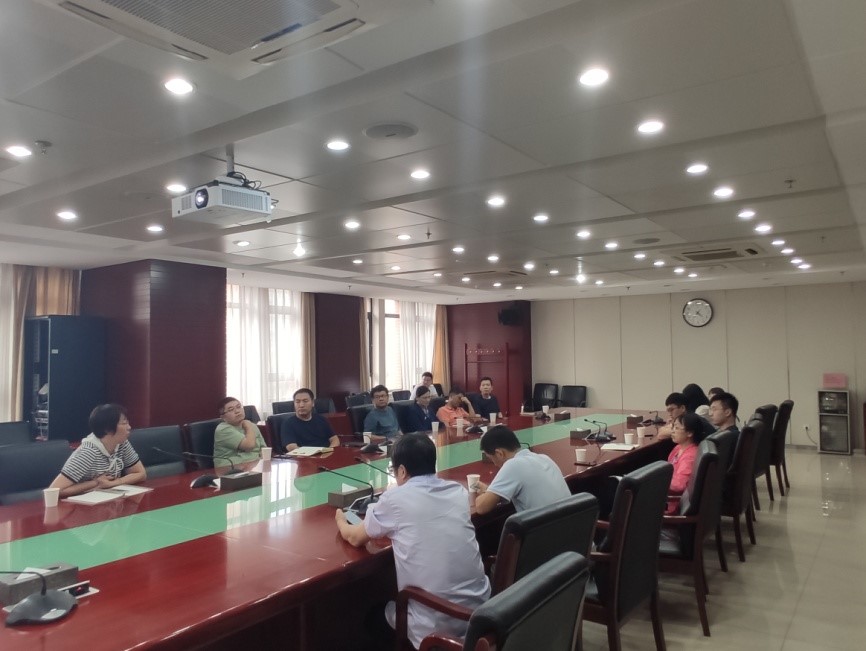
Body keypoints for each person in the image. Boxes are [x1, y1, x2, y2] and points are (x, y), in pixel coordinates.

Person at [334, 433, 490, 649]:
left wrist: (340, 519)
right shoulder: (457, 491)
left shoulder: (395, 499)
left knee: (372, 618)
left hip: (438, 622)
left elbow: (355, 538)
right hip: (481, 611)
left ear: (402, 471)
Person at [49, 404, 146, 497]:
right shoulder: (88, 452)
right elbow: (55, 490)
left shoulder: (122, 443)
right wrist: (95, 482)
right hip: (82, 503)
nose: (129, 427)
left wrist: (113, 483)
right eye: (124, 423)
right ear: (108, 429)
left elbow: (141, 474)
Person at [474, 425, 570, 515]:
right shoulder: (544, 458)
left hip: (545, 526)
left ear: (499, 453)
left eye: (491, 458)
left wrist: (486, 493)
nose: (494, 464)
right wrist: (491, 491)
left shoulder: (513, 465)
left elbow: (481, 507)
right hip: (569, 521)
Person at [666, 412, 705, 514]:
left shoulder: (690, 456)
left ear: (689, 433)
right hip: (668, 497)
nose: (672, 431)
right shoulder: (678, 448)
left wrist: (657, 483)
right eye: (673, 427)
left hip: (674, 504)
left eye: (677, 428)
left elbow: (679, 486)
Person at [213, 397, 267, 467]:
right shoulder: (223, 429)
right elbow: (249, 446)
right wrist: (248, 426)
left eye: (238, 407)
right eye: (231, 409)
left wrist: (263, 465)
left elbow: (264, 449)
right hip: (230, 469)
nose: (237, 411)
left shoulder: (252, 425)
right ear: (223, 417)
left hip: (254, 466)